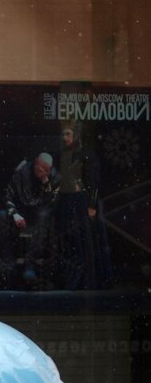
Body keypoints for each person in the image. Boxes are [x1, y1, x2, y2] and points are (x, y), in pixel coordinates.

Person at [56, 123, 112, 289]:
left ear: (75, 135)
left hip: (83, 204)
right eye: (63, 134)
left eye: (68, 134)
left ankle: (88, 280)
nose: (64, 138)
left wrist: (91, 205)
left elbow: (93, 181)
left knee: (85, 242)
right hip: (69, 203)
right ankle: (74, 280)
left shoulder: (86, 154)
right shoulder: (64, 154)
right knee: (72, 242)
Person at [0, 152, 60, 289]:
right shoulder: (22, 172)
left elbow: (52, 205)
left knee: (44, 216)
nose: (43, 172)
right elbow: (7, 195)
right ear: (36, 163)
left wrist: (46, 184)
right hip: (21, 213)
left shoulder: (53, 176)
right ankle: (8, 262)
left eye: (46, 170)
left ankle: (30, 264)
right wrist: (15, 214)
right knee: (1, 215)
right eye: (41, 168)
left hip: (38, 217)